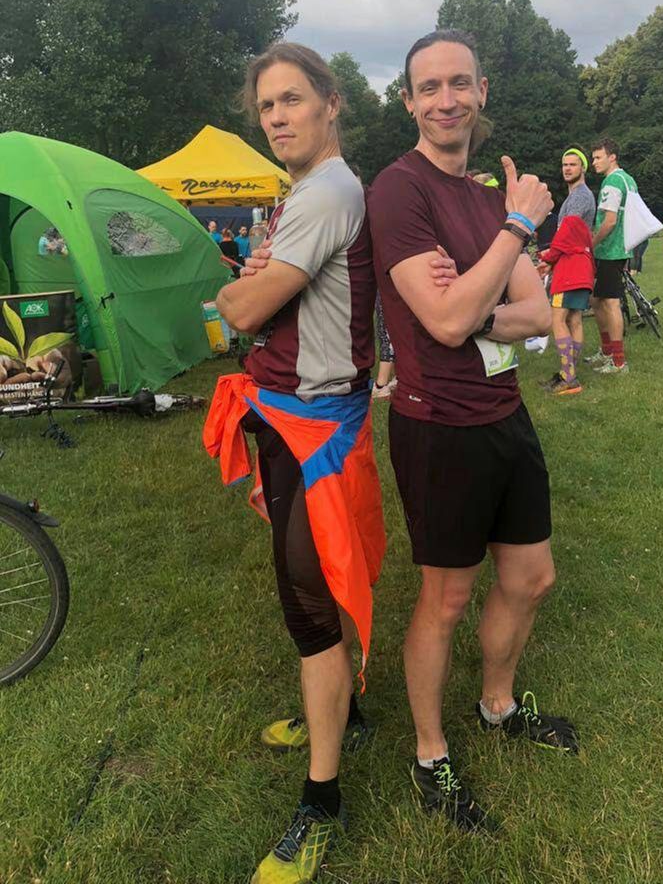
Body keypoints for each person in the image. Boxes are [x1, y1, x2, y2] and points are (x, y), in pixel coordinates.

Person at [367, 28, 578, 834]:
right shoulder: (400, 191)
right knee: (447, 596)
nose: (446, 100)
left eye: (460, 83)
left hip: (505, 415)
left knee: (532, 578)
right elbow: (445, 322)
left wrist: (479, 297)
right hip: (438, 426)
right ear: (408, 101)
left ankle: (497, 705)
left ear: (482, 90)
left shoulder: (488, 194)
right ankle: (430, 755)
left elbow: (534, 313)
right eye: (429, 87)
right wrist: (516, 232)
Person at [204, 43, 388, 884]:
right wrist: (257, 282)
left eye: (291, 100)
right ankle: (341, 713)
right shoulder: (308, 191)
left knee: (309, 606)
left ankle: (322, 803)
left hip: (318, 430)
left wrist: (238, 292)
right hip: (290, 417)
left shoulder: (326, 191)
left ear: (331, 102)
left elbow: (244, 309)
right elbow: (272, 293)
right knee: (316, 580)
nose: (276, 118)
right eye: (267, 106)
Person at [586, 138, 634, 373]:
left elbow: (610, 221)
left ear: (612, 157)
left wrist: (591, 244)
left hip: (610, 250)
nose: (594, 162)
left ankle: (618, 360)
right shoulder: (628, 179)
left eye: (598, 157)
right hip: (619, 249)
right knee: (597, 300)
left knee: (611, 302)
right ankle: (607, 351)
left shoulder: (612, 182)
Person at [538, 214, 596, 396]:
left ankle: (568, 377)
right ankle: (568, 372)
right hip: (585, 278)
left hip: (567, 279)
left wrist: (546, 258)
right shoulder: (583, 240)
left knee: (558, 320)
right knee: (575, 321)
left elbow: (556, 248)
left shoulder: (568, 221)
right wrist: (551, 265)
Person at [558, 147, 596, 227]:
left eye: (573, 165)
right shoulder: (574, 195)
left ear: (583, 168)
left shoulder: (581, 195)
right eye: (565, 165)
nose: (567, 168)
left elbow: (567, 229)